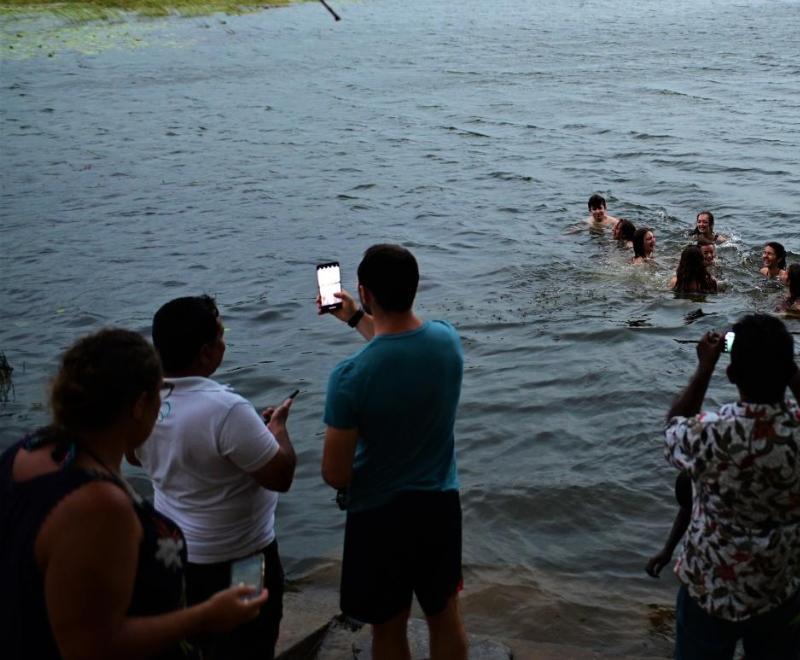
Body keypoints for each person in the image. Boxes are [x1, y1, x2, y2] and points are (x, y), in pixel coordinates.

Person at [1, 328, 266, 660]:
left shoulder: (23, 453)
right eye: (161, 393)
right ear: (140, 405)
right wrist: (205, 617)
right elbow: (92, 647)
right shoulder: (100, 507)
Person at [320, 244, 468, 660]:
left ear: (365, 292)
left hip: (379, 517)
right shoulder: (447, 342)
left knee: (388, 627)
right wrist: (353, 318)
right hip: (439, 506)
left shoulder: (349, 377)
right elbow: (399, 341)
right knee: (445, 614)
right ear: (415, 288)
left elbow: (336, 473)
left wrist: (355, 316)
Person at [665, 314, 800, 659]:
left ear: (731, 375)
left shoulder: (711, 433)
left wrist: (705, 368)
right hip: (779, 584)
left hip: (710, 584)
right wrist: (789, 370)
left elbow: (674, 427)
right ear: (788, 368)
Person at [132, 295, 296, 660]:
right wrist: (279, 430)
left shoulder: (142, 401)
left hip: (175, 555)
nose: (225, 344)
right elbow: (280, 475)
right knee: (250, 645)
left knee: (192, 649)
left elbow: (133, 453)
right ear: (206, 352)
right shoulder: (226, 409)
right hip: (241, 558)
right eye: (221, 337)